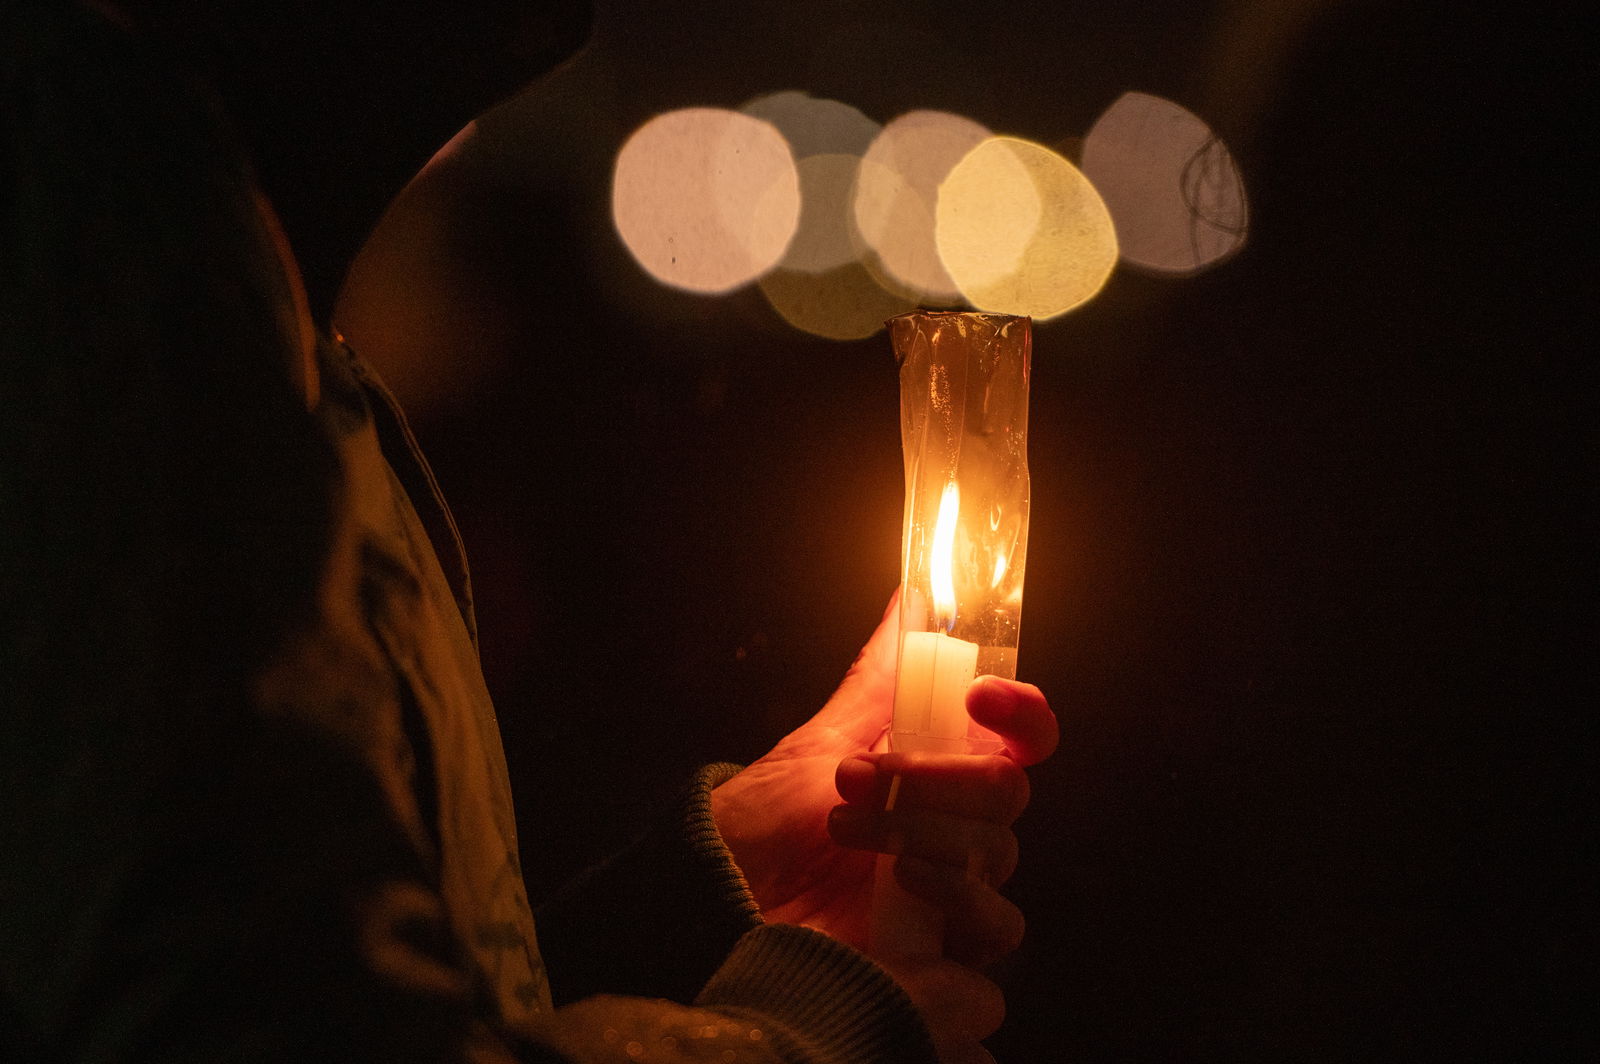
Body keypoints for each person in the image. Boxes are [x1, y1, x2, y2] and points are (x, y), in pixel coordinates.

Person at [0, 2, 1058, 1062]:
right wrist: (794, 1035)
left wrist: (695, 917)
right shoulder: (109, 227)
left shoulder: (246, 271)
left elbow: (333, 972)